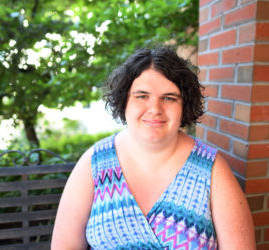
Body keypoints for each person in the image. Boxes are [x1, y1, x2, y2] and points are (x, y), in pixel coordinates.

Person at [51, 47, 256, 249]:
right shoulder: (94, 163)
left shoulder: (212, 170)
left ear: (184, 105)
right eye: (142, 96)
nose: (155, 109)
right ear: (124, 101)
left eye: (169, 98)